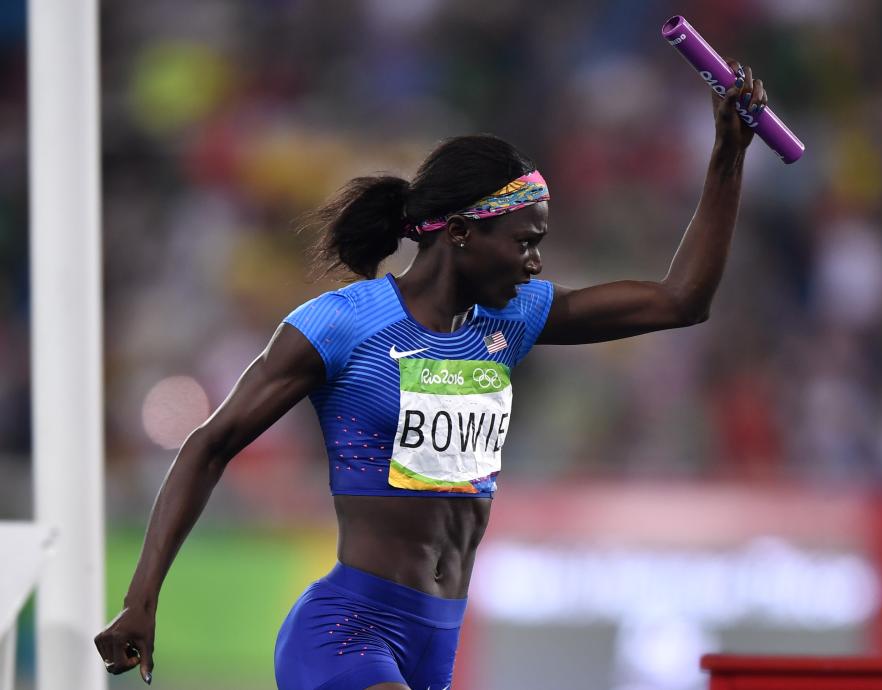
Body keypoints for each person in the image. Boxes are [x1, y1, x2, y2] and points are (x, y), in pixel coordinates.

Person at [95, 60, 767, 690]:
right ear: (464, 234)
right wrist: (141, 599)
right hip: (347, 631)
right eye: (526, 241)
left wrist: (727, 154)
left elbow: (682, 300)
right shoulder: (341, 325)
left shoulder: (514, 319)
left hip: (435, 641)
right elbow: (209, 444)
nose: (536, 264)